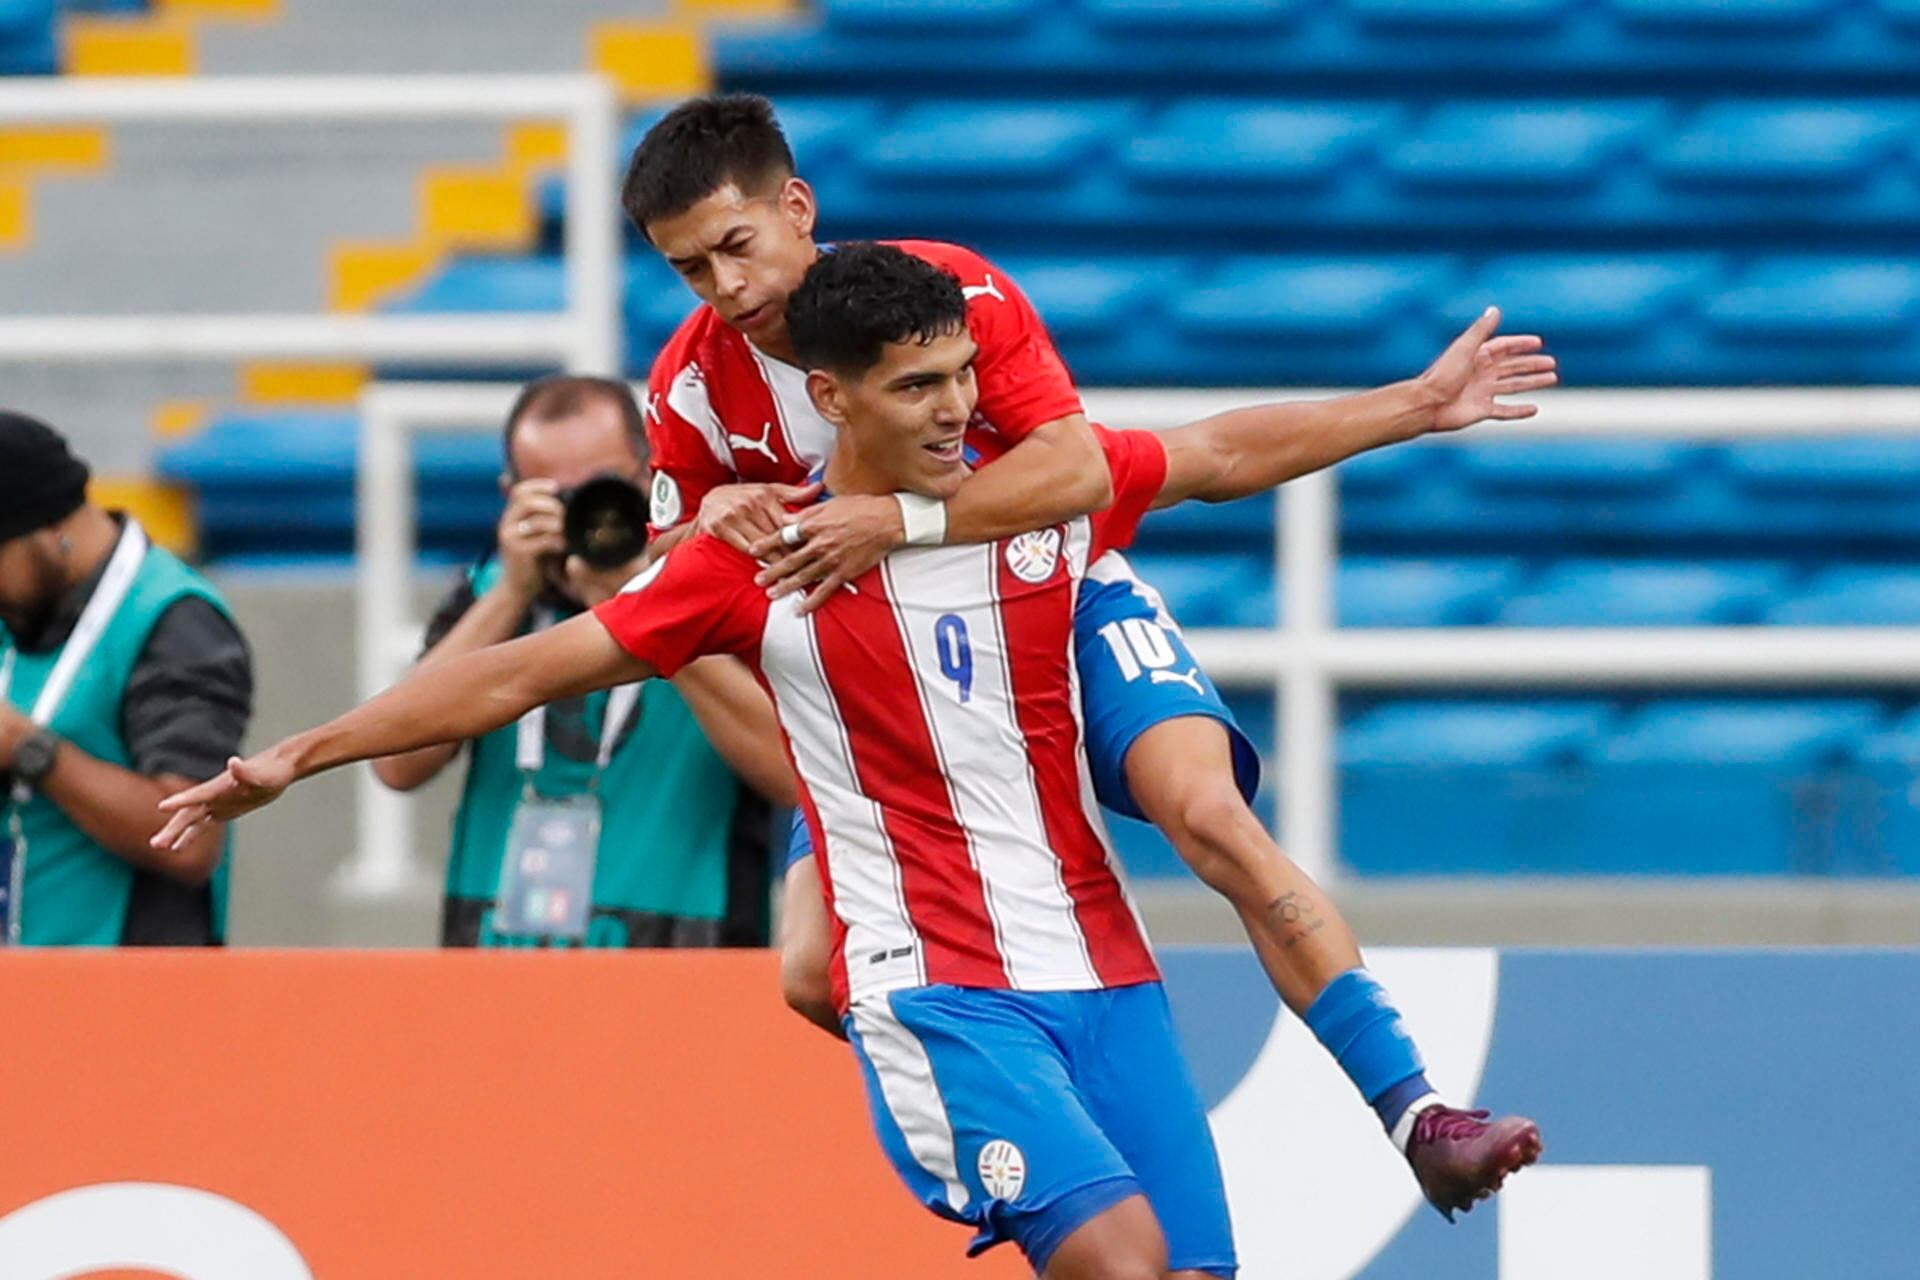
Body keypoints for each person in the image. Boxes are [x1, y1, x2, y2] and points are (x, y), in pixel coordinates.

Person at [156, 245, 1543, 1278]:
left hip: (1104, 972)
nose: (956, 411)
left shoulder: (1043, 491)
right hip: (937, 985)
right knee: (1120, 1261)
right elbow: (521, 670)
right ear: (829, 397)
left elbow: (1227, 451)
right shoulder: (747, 566)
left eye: (959, 377)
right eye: (916, 388)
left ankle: (1412, 1107)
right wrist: (298, 754)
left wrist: (1416, 404)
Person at [623, 95, 1555, 1214]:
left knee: (1208, 815)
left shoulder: (941, 298)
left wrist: (1412, 403)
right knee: (810, 970)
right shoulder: (689, 386)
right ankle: (1034, 1132)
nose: (725, 288)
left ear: (797, 207)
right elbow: (667, 568)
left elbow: (1083, 463)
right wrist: (708, 510)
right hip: (881, 693)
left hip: (1055, 603)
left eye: (736, 246)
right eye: (690, 270)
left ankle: (1416, 1111)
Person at [372, 375, 794, 948]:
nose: (588, 515)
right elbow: (395, 764)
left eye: (605, 488)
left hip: (685, 953)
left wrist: (652, 611)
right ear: (511, 493)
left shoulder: (723, 591)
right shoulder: (492, 592)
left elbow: (797, 774)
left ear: (651, 475)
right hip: (498, 954)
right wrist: (506, 597)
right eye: (558, 495)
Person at [0, 412, 250, 945]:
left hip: (126, 998)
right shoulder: (19, 607)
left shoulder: (175, 622)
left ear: (49, 533)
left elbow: (191, 837)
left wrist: (26, 748)